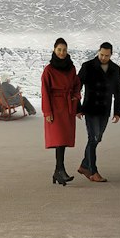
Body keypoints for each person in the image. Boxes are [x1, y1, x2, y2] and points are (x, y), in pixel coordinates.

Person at [75, 41, 120, 182]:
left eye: (106, 55)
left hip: (105, 109)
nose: (103, 58)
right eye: (101, 54)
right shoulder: (88, 66)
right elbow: (76, 88)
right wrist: (77, 108)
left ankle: (84, 165)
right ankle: (93, 171)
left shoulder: (115, 68)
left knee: (98, 138)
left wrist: (118, 111)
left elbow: (118, 91)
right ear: (98, 51)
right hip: (90, 108)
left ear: (111, 54)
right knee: (93, 138)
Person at [41, 39, 80, 185]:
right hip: (55, 108)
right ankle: (60, 170)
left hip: (68, 106)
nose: (62, 52)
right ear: (54, 50)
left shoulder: (72, 68)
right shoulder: (48, 70)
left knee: (63, 140)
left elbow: (77, 84)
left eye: (64, 50)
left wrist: (76, 97)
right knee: (59, 139)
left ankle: (58, 171)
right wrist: (47, 112)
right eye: (59, 49)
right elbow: (44, 92)